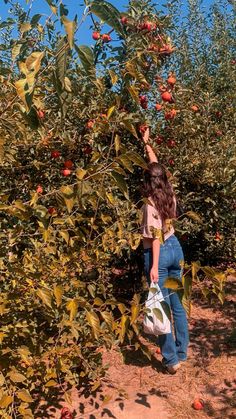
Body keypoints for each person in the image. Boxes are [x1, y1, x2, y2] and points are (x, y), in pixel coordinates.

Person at [141, 127, 189, 374]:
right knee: (177, 304)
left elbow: (156, 238)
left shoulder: (150, 204)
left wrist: (153, 268)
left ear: (149, 181)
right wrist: (147, 145)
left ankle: (171, 360)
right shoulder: (169, 193)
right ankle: (182, 351)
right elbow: (157, 166)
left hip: (159, 253)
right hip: (176, 248)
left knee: (159, 307)